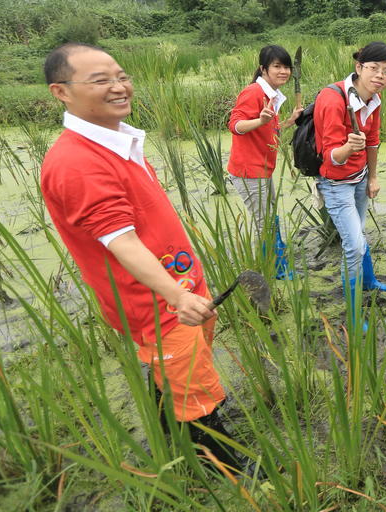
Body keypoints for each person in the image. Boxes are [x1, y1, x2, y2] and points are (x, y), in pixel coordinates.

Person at [39, 43, 244, 472]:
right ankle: (221, 467)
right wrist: (177, 296)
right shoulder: (76, 161)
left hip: (181, 292)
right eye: (101, 80)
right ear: (61, 92)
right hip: (159, 306)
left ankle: (168, 427)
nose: (119, 87)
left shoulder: (119, 140)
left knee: (183, 375)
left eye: (121, 76)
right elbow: (122, 242)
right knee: (197, 394)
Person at [313, 41, 386, 313]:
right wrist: (349, 147)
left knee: (359, 232)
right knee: (354, 246)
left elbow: (373, 140)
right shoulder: (333, 98)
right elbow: (331, 157)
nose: (379, 77)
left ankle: (369, 281)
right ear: (359, 67)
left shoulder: (375, 98)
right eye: (373, 69)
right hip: (335, 184)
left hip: (359, 179)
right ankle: (353, 309)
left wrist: (372, 177)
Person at [227, 45, 303, 279]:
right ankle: (274, 270)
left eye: (287, 67)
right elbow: (235, 125)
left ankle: (275, 262)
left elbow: (271, 131)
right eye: (277, 66)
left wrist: (289, 121)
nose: (284, 72)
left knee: (269, 218)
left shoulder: (272, 94)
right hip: (248, 170)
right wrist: (259, 121)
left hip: (263, 169)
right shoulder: (253, 92)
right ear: (263, 69)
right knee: (265, 223)